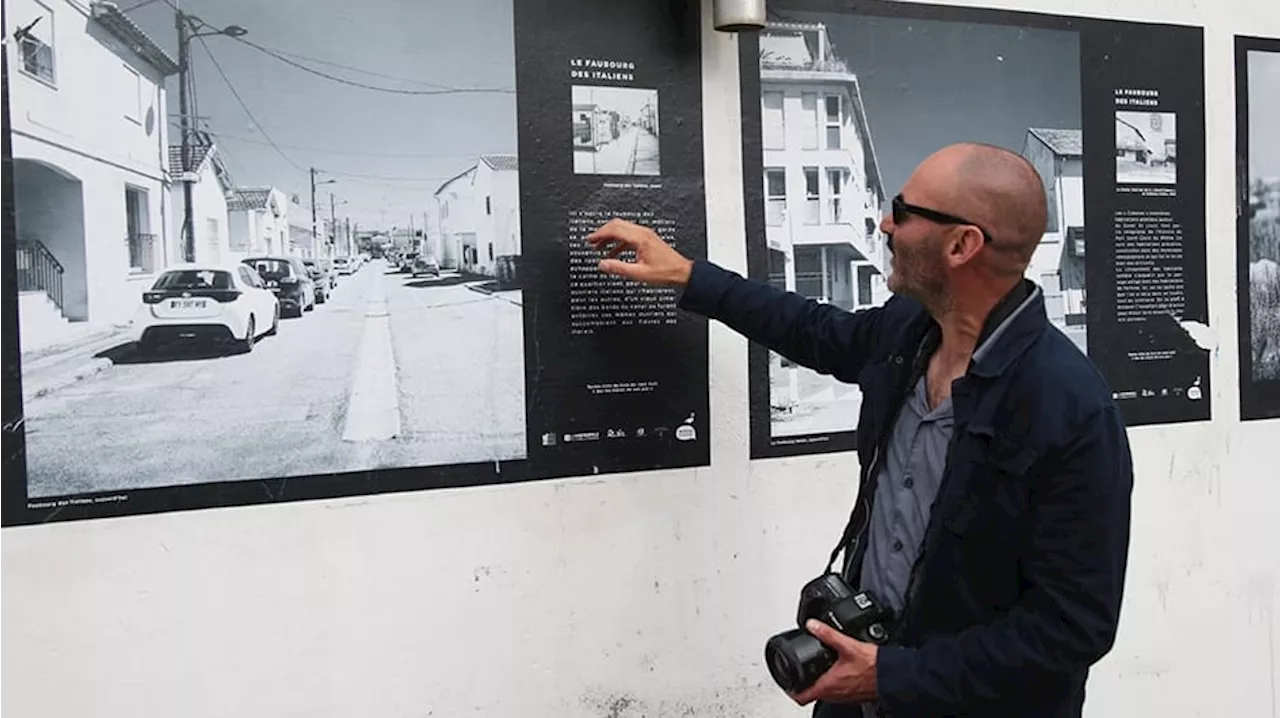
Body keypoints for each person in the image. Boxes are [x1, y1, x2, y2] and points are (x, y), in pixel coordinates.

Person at [585, 142, 1134, 718]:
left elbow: (1072, 628)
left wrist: (894, 675)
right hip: (858, 698)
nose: (884, 221)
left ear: (961, 244)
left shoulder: (1072, 410)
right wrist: (689, 275)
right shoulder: (907, 334)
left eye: (904, 209)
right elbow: (812, 328)